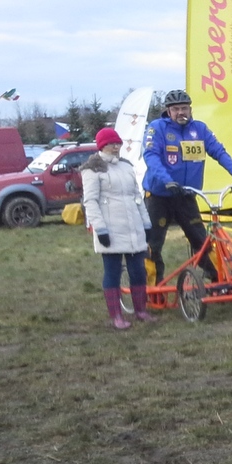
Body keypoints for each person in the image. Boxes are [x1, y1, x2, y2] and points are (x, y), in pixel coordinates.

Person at [142, 89, 232, 284]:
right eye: (176, 109)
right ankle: (152, 289)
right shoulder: (157, 128)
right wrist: (167, 180)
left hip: (186, 195)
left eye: (184, 108)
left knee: (201, 240)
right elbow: (151, 156)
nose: (180, 112)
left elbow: (219, 151)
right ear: (168, 111)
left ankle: (219, 281)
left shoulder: (199, 129)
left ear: (190, 109)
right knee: (153, 244)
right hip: (159, 196)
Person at [82, 128, 156, 329]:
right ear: (102, 146)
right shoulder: (92, 169)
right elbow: (90, 201)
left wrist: (146, 223)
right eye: (111, 144)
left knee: (138, 271)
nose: (116, 147)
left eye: (117, 143)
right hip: (111, 228)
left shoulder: (126, 166)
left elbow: (137, 197)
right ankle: (116, 316)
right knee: (112, 272)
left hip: (133, 227)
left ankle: (141, 310)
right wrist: (100, 229)